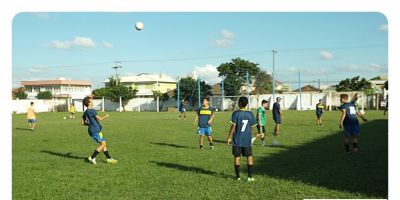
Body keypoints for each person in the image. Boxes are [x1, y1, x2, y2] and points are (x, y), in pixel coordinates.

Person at [227, 96, 257, 182]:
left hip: (237, 140)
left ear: (239, 103)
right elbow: (253, 127)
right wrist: (255, 135)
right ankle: (250, 177)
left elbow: (233, 126)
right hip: (247, 140)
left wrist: (229, 137)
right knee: (249, 157)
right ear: (247, 104)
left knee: (237, 157)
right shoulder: (250, 114)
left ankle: (238, 177)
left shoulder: (235, 114)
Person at [81, 96, 118, 164]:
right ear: (89, 103)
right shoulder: (92, 110)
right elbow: (100, 119)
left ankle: (109, 158)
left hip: (93, 130)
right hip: (95, 130)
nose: (92, 101)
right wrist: (106, 116)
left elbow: (82, 123)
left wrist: (90, 125)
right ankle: (92, 157)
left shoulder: (85, 112)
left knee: (103, 143)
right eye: (91, 101)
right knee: (103, 144)